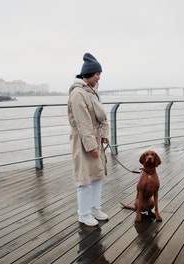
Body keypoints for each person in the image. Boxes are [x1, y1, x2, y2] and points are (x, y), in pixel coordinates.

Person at [67, 53, 109, 226]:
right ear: (88, 74)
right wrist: (92, 146)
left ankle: (94, 208)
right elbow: (83, 123)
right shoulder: (78, 94)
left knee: (97, 175)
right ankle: (83, 213)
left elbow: (101, 118)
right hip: (83, 141)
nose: (99, 77)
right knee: (84, 177)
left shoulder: (92, 93)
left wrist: (105, 135)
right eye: (97, 74)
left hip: (95, 138)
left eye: (100, 74)